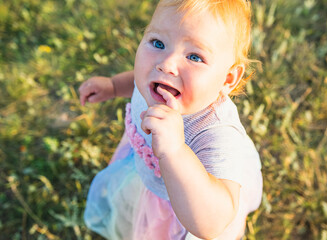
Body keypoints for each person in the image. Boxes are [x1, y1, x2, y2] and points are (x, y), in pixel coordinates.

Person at [79, 0, 262, 239]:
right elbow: (137, 81)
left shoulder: (217, 134)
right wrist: (114, 86)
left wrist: (175, 150)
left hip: (187, 208)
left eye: (195, 57)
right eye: (158, 43)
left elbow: (213, 222)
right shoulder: (157, 82)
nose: (166, 65)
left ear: (228, 79)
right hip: (147, 181)